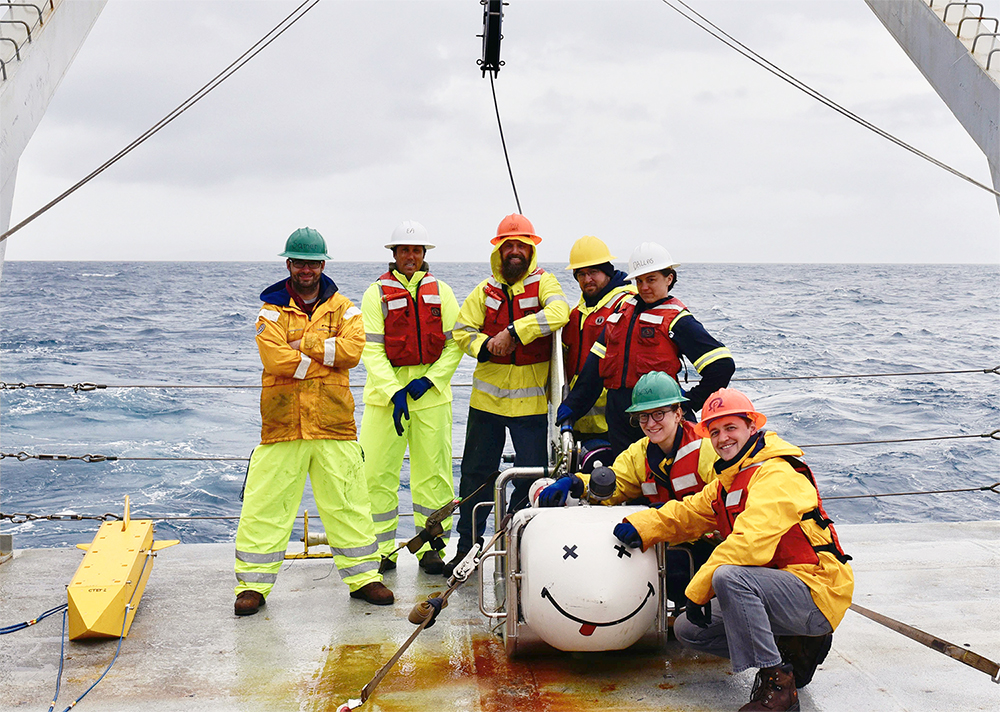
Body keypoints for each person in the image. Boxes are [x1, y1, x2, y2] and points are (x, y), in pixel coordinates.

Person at [613, 388, 854, 711]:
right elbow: (687, 512)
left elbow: (748, 545)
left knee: (730, 577)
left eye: (731, 428)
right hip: (775, 589)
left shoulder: (776, 475)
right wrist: (643, 526)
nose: (723, 438)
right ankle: (789, 647)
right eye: (714, 432)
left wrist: (697, 591)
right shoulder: (730, 478)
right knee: (689, 630)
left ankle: (778, 686)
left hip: (814, 590)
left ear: (751, 428)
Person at [234, 227, 393, 615]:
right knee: (265, 505)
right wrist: (324, 358)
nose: (306, 269)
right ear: (289, 264)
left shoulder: (346, 308)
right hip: (282, 424)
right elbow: (273, 360)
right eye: (299, 262)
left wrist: (300, 348)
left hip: (333, 423)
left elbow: (354, 352)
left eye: (313, 262)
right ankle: (252, 585)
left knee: (349, 502)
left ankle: (364, 578)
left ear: (323, 264)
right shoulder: (269, 311)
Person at [448, 213, 570, 577]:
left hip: (531, 404)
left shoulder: (545, 283)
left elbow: (559, 312)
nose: (514, 251)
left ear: (531, 249)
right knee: (475, 475)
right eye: (508, 245)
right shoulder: (482, 292)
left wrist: (515, 332)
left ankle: (517, 543)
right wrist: (487, 345)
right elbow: (460, 331)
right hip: (486, 403)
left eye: (521, 245)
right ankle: (466, 548)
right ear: (499, 250)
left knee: (532, 476)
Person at [538, 371, 718, 605]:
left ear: (678, 413)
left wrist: (663, 516)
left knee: (676, 571)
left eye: (658, 414)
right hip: (665, 539)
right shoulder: (639, 453)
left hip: (709, 545)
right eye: (643, 417)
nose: (651, 424)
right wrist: (575, 483)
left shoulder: (705, 449)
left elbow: (717, 506)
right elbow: (616, 482)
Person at [558, 241, 735, 459]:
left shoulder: (677, 320)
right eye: (639, 280)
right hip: (620, 420)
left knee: (666, 478)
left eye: (651, 279)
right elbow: (595, 368)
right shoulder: (620, 313)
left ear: (669, 278)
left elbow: (722, 365)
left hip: (658, 419)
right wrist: (573, 406)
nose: (644, 287)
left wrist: (689, 402)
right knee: (627, 480)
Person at [358, 221, 462, 575]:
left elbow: (454, 345)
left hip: (431, 398)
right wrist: (395, 391)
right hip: (384, 401)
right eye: (405, 250)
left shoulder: (443, 292)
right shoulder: (375, 295)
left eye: (417, 251)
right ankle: (381, 549)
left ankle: (432, 547)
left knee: (434, 475)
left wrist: (430, 381)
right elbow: (371, 350)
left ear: (424, 254)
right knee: (375, 474)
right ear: (394, 254)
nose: (411, 257)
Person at [561, 235, 634, 440]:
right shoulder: (577, 311)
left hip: (616, 420)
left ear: (607, 271)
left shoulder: (627, 303)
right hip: (579, 418)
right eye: (581, 274)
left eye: (593, 272)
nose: (587, 279)